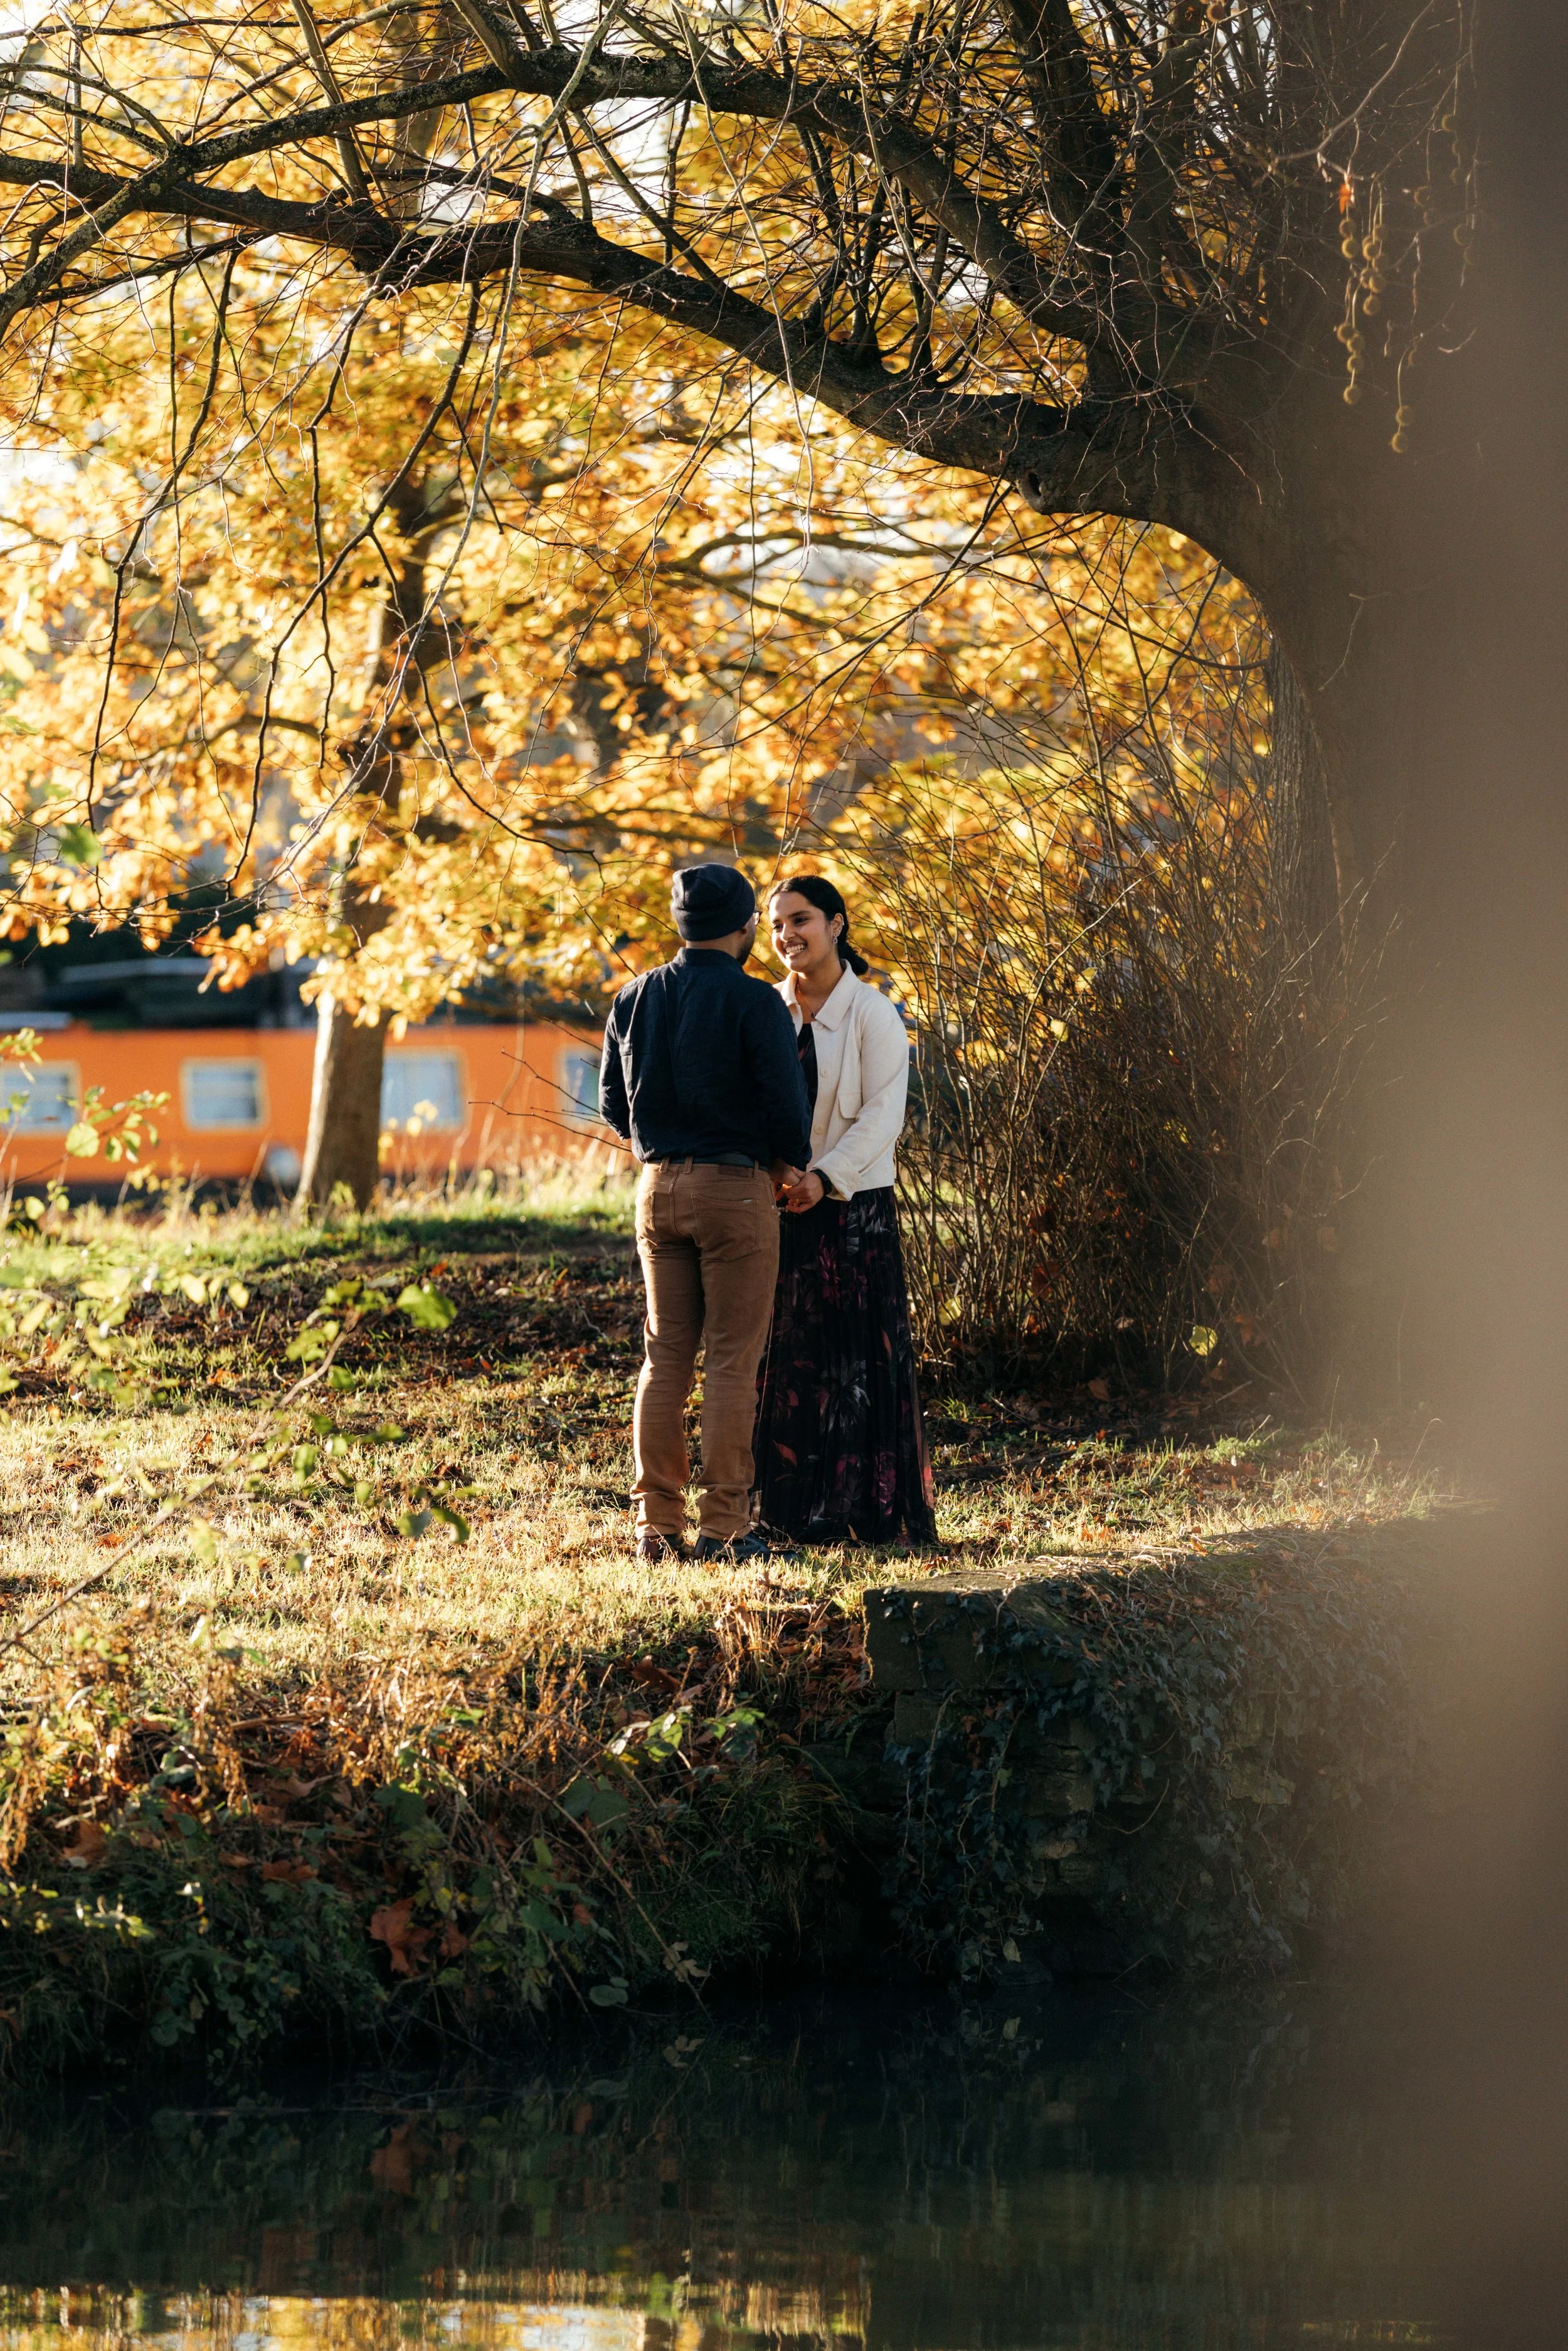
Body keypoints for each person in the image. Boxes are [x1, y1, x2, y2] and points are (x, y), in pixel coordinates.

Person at [600, 863, 812, 1564]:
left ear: (679, 923)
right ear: (748, 925)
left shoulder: (633, 997)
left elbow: (611, 1106)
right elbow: (788, 1110)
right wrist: (786, 1161)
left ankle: (654, 1529)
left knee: (664, 1356)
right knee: (729, 1360)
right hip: (735, 1189)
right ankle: (724, 1529)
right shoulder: (756, 1003)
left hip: (656, 1188)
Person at [753, 876, 938, 1546]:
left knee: (854, 1363)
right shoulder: (766, 1009)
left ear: (837, 924)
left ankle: (862, 1508)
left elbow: (884, 1115)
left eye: (799, 920)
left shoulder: (874, 1014)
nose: (786, 936)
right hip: (776, 1205)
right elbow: (754, 1106)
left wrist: (823, 1177)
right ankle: (785, 1511)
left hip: (854, 1213)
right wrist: (782, 1173)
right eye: (776, 925)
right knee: (785, 1358)